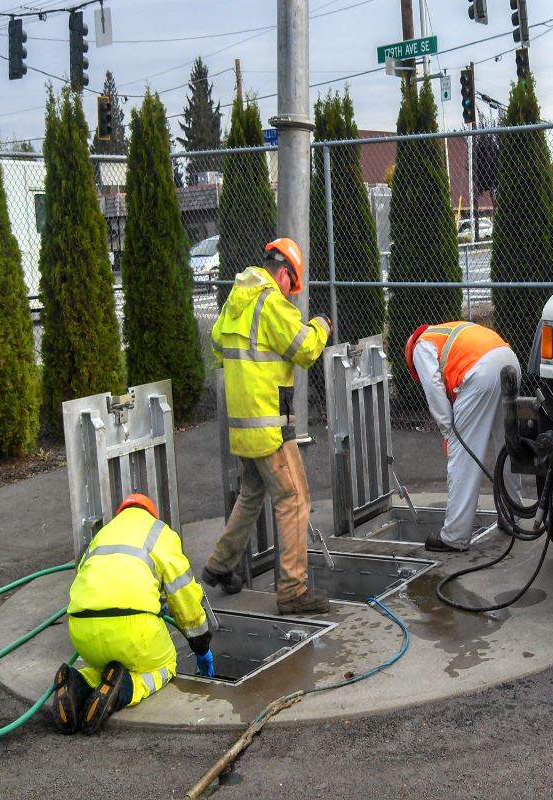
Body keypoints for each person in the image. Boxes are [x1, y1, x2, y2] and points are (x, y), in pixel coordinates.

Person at [201, 237, 332, 614]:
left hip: (243, 425)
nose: (293, 293)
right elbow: (306, 349)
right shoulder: (271, 302)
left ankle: (220, 565)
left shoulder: (235, 302)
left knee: (251, 494)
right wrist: (321, 325)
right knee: (293, 499)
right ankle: (292, 590)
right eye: (293, 284)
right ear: (285, 273)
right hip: (268, 426)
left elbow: (216, 345)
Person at [51, 493, 213, 736]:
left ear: (122, 512)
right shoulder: (160, 533)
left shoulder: (102, 535)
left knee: (103, 668)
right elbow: (184, 594)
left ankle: (77, 684)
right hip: (132, 628)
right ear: (151, 513)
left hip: (82, 630)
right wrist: (200, 644)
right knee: (165, 664)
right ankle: (125, 689)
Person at [405, 320, 523, 552]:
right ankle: (513, 518)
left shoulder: (420, 346)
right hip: (509, 360)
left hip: (480, 372)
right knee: (507, 446)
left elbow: (434, 390)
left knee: (463, 455)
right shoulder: (447, 332)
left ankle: (455, 537)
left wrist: (449, 432)